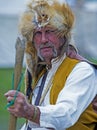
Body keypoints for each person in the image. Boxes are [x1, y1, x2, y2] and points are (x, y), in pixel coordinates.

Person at [4, 0, 97, 130]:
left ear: (63, 35)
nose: (43, 40)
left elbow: (65, 115)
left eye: (49, 32)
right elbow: (35, 125)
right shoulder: (41, 73)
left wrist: (30, 111)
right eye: (38, 33)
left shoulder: (82, 71)